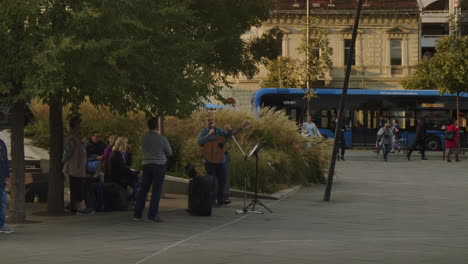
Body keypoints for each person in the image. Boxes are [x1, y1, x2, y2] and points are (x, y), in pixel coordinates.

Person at [133, 117, 172, 222]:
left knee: (143, 190)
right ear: (157, 126)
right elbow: (169, 152)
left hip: (146, 164)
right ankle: (152, 215)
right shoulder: (162, 139)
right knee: (156, 191)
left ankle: (137, 214)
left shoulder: (144, 138)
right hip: (159, 165)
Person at [62, 117, 95, 215]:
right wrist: (63, 160)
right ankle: (78, 207)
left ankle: (74, 206)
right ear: (75, 125)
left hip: (77, 167)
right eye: (80, 124)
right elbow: (68, 151)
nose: (82, 126)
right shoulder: (73, 138)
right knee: (77, 187)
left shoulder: (76, 137)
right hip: (74, 167)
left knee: (77, 186)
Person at [198, 115, 232, 207]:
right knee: (211, 180)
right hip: (210, 160)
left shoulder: (219, 130)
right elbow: (200, 142)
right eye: (209, 120)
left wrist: (229, 130)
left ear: (215, 121)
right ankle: (211, 200)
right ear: (206, 122)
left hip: (221, 159)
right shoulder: (204, 131)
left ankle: (220, 200)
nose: (211, 122)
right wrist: (209, 134)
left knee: (222, 180)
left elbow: (228, 137)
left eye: (212, 120)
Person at [0, 138, 14, 233]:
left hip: (1, 179)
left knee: (2, 202)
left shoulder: (1, 143)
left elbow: (4, 161)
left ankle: (1, 225)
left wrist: (7, 176)